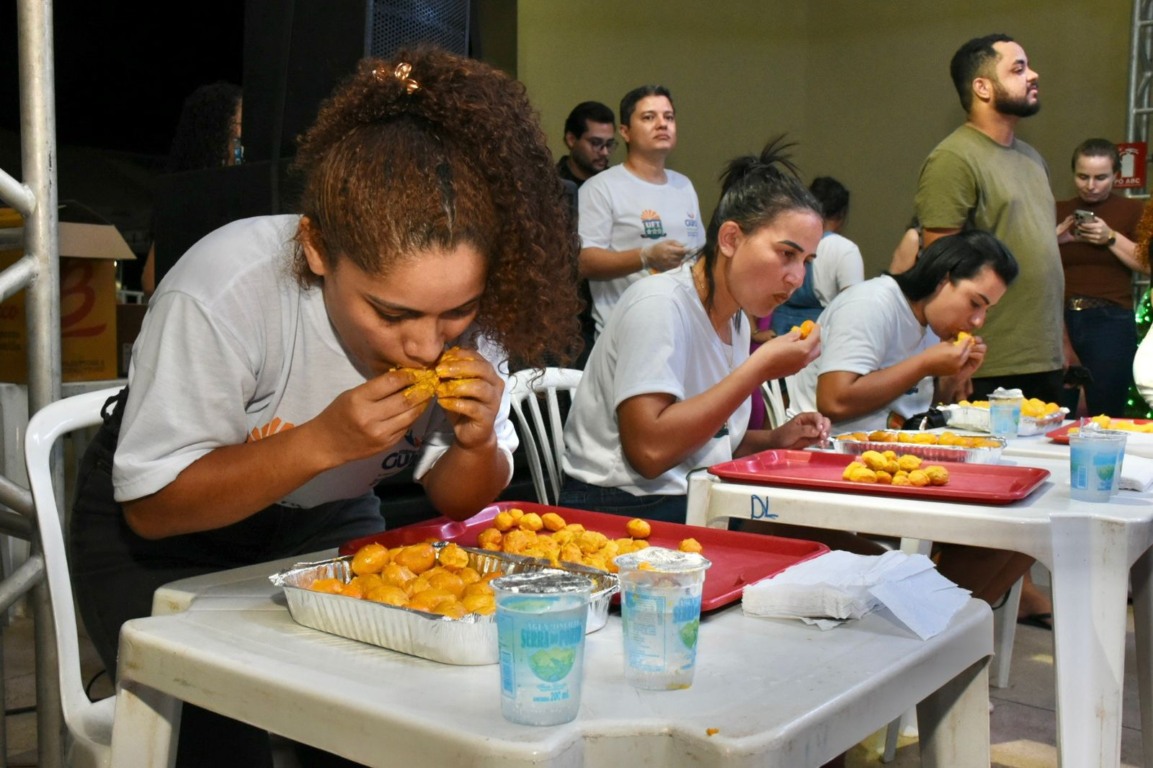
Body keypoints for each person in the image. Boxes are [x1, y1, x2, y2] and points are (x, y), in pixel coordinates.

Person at [70, 47, 582, 767]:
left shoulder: (466, 318)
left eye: (455, 313)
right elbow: (153, 507)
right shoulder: (226, 287)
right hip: (164, 542)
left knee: (383, 722)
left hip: (327, 518)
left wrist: (473, 445)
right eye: (390, 311)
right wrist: (319, 442)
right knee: (218, 736)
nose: (425, 343)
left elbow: (453, 498)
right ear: (316, 249)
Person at [560, 137, 831, 525]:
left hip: (690, 495)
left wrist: (773, 439)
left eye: (806, 260)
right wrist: (757, 369)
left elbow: (707, 439)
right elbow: (650, 453)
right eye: (786, 254)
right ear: (731, 239)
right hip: (620, 508)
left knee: (817, 535)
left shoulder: (736, 314)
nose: (795, 278)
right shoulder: (659, 304)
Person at [788, 230, 1038, 607]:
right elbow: (835, 400)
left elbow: (911, 412)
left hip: (890, 462)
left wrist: (954, 379)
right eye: (975, 302)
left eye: (987, 310)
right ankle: (930, 610)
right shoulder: (874, 302)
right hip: (830, 459)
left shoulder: (929, 324)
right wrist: (924, 362)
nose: (978, 320)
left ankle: (937, 613)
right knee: (1000, 535)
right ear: (943, 278)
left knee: (1025, 534)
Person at [914, 33, 1064, 406]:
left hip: (1043, 356)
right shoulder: (954, 158)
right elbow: (940, 269)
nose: (1033, 75)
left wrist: (1063, 344)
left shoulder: (1033, 158)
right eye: (1018, 68)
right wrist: (956, 360)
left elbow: (1045, 260)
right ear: (982, 87)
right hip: (989, 361)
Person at [577, 84, 705, 337]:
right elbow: (584, 261)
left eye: (668, 117)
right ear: (625, 132)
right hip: (627, 332)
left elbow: (700, 254)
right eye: (649, 117)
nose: (662, 124)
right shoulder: (601, 187)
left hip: (685, 328)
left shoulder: (684, 185)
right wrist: (646, 256)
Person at [1055, 138, 1147, 417]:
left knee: (1107, 408)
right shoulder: (1057, 209)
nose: (1090, 185)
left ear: (1116, 176)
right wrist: (1056, 237)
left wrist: (1111, 237)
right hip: (1059, 321)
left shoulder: (1133, 211)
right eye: (1083, 176)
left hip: (1110, 319)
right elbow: (1027, 264)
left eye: (1100, 177)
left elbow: (1147, 263)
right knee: (1057, 407)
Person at [140, 81, 244, 296]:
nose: (241, 138)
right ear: (216, 131)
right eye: (237, 129)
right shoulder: (188, 196)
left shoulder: (239, 190)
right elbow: (151, 280)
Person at [770, 176, 863, 335]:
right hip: (816, 339)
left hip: (777, 332)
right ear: (842, 215)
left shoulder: (785, 240)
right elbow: (853, 311)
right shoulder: (845, 250)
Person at [556, 100, 617, 187]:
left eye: (609, 144)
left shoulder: (615, 183)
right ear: (571, 140)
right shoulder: (549, 183)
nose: (605, 152)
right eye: (596, 143)